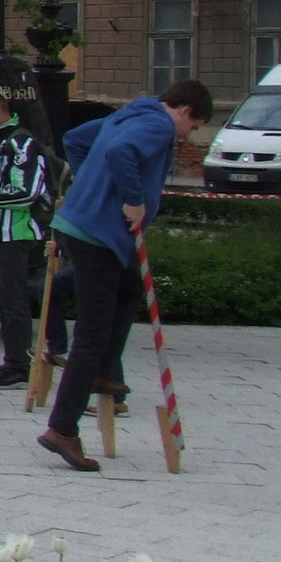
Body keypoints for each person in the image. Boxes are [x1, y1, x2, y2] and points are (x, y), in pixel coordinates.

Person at [36, 79, 212, 472]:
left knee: (130, 286)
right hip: (97, 234)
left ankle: (102, 369)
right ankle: (62, 428)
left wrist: (94, 184)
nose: (188, 135)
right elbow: (120, 153)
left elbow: (76, 140)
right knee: (91, 334)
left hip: (86, 227)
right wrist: (132, 198)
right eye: (194, 126)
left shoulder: (128, 115)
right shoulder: (158, 125)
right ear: (185, 111)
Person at [0, 91, 54, 391]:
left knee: (15, 301)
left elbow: (26, 192)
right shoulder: (0, 141)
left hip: (17, 234)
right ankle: (12, 361)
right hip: (0, 233)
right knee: (6, 301)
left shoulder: (21, 143)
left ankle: (19, 367)